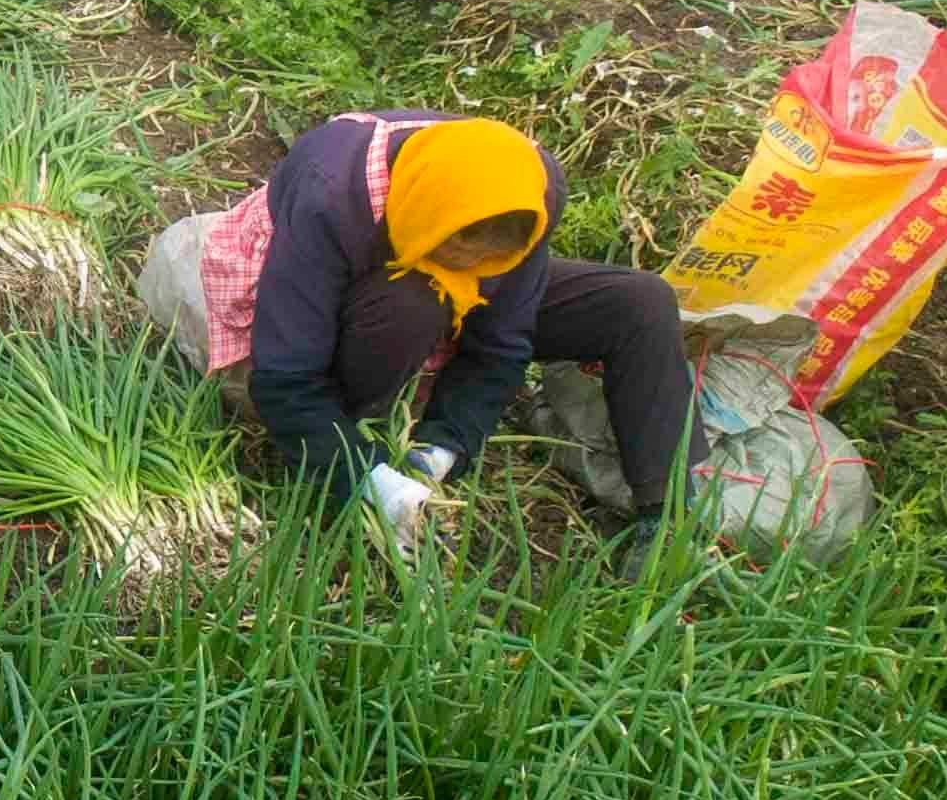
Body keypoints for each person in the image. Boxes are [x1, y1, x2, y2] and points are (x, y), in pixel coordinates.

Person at [146, 110, 696, 550]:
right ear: (429, 218)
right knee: (418, 297)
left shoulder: (527, 192)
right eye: (457, 253)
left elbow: (502, 343)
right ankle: (365, 423)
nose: (471, 272)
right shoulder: (331, 193)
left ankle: (664, 520)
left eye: (491, 262)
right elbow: (286, 376)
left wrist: (445, 444)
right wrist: (367, 479)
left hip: (437, 281)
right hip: (360, 290)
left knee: (640, 301)